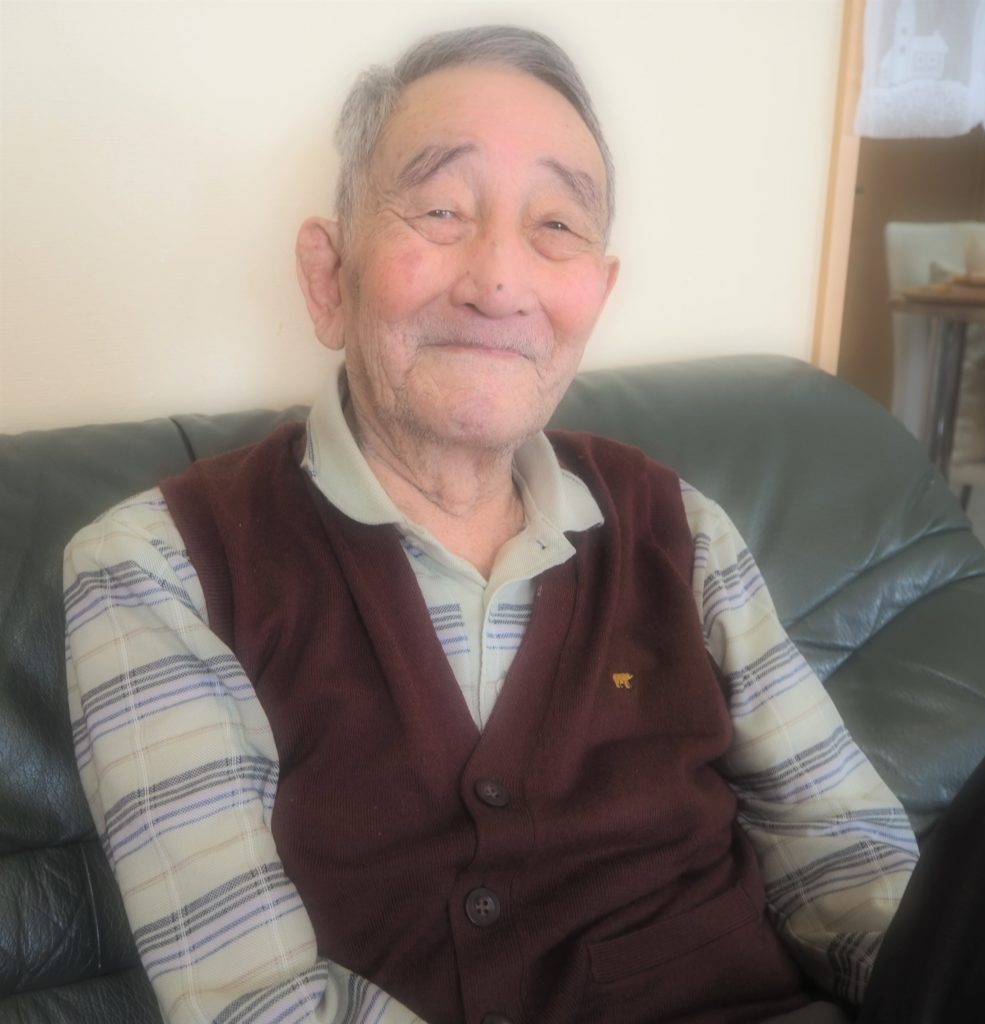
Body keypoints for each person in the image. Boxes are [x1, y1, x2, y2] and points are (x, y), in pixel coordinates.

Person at [64, 25, 922, 1024]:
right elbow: (258, 1006)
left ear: (595, 296)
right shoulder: (159, 569)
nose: (500, 282)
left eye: (555, 225)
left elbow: (853, 870)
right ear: (328, 277)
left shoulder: (679, 530)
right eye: (440, 209)